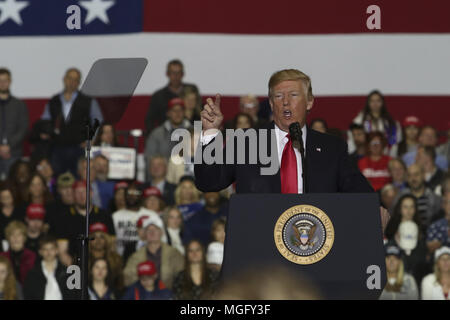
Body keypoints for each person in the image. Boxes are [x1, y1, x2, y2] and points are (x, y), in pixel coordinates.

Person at [195, 69, 389, 229]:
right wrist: (210, 134)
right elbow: (208, 182)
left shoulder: (332, 148)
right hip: (258, 251)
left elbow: (361, 193)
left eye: (293, 95)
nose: (285, 101)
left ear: (310, 101)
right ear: (271, 104)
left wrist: (374, 210)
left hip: (314, 248)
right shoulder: (246, 141)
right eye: (278, 96)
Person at [41, 68, 104, 177]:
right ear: (64, 79)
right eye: (69, 78)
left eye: (75, 80)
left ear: (79, 83)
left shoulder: (88, 101)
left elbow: (97, 120)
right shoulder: (54, 101)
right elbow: (45, 120)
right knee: (57, 179)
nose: (72, 82)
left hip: (78, 148)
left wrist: (91, 139)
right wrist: (45, 131)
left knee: (78, 178)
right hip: (57, 148)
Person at [123, 215, 184, 289]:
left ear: (161, 232)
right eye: (149, 230)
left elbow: (182, 277)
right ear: (145, 234)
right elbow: (127, 278)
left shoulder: (174, 254)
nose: (152, 232)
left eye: (156, 229)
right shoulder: (136, 257)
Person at [145, 59, 199, 135]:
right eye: (173, 73)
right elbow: (149, 121)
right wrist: (156, 137)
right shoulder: (158, 96)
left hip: (190, 135)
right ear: (167, 74)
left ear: (182, 74)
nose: (176, 76)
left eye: (178, 73)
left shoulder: (191, 91)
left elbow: (199, 112)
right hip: (165, 137)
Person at [112, 182, 160, 258]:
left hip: (147, 256)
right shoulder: (115, 216)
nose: (132, 195)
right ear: (125, 196)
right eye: (129, 192)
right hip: (121, 257)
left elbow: (161, 238)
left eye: (136, 192)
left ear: (141, 195)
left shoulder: (151, 215)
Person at [0, 68, 29, 181]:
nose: (2, 84)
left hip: (14, 153)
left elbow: (24, 128)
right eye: (0, 81)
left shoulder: (19, 104)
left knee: (13, 187)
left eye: (5, 80)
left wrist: (9, 146)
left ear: (10, 81)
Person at [393, 164, 441, 230]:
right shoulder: (400, 197)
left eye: (416, 174)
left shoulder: (435, 199)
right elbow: (392, 219)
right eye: (409, 175)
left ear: (423, 175)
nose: (413, 178)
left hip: (428, 236)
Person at [23, 236, 71, 300]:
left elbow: (72, 294)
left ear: (57, 250)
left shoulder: (66, 272)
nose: (48, 252)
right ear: (40, 252)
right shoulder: (32, 274)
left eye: (51, 249)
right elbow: (28, 295)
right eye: (45, 249)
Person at [88, 223, 124, 296]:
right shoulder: (82, 258)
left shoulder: (116, 259)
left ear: (107, 239)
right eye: (94, 237)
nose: (98, 240)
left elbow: (120, 283)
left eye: (102, 237)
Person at [0, 184, 25, 250]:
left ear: (13, 197)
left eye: (8, 197)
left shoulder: (20, 211)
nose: (6, 200)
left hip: (18, 243)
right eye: (3, 198)